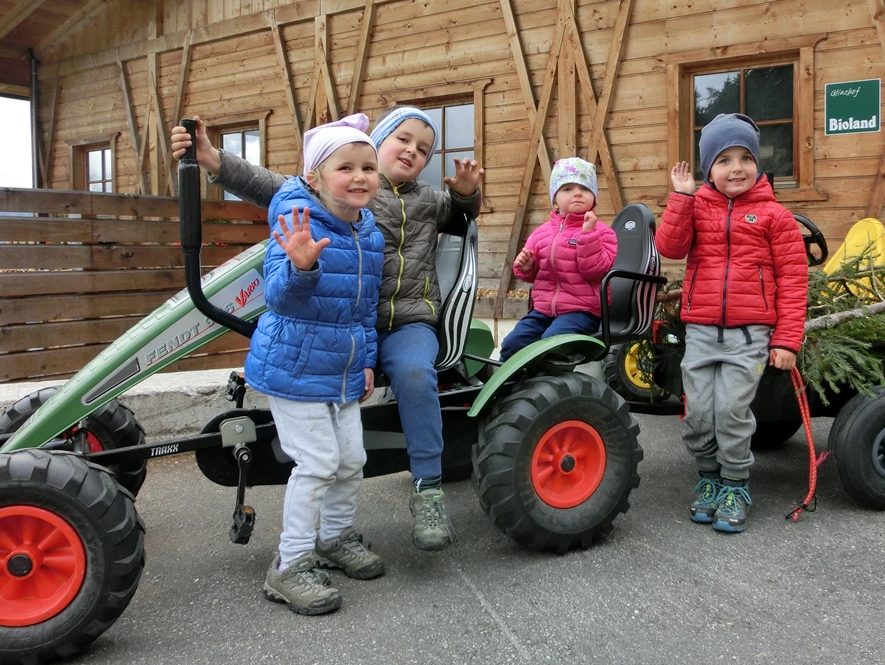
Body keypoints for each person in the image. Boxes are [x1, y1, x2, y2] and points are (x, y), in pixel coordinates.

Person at [171, 107, 482, 552]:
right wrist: (213, 158)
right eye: (403, 139)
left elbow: (461, 214)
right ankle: (320, 532)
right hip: (348, 323)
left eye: (423, 149)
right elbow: (270, 185)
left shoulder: (429, 199)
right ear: (376, 141)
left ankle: (427, 488)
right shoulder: (347, 189)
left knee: (415, 374)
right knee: (335, 445)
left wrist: (468, 194)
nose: (413, 151)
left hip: (407, 320)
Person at [247, 114, 385, 615]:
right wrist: (302, 266)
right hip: (294, 365)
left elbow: (365, 307)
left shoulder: (369, 232)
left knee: (352, 461)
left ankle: (333, 538)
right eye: (344, 166)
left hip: (344, 368)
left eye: (368, 166)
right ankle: (290, 564)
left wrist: (367, 360)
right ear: (314, 177)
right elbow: (278, 297)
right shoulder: (296, 220)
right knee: (320, 462)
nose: (359, 176)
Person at [654, 113, 809, 533]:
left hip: (748, 335)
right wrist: (681, 198)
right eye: (724, 160)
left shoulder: (775, 216)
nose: (736, 168)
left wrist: (787, 340)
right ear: (708, 169)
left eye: (745, 157)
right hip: (702, 331)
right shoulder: (696, 206)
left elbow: (794, 281)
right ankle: (708, 478)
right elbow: (669, 246)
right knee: (699, 413)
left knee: (731, 413)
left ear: (757, 164)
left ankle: (736, 485)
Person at [498, 157, 618, 360]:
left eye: (585, 188)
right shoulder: (541, 233)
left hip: (582, 311)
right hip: (543, 310)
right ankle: (510, 388)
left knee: (551, 343)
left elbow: (596, 271)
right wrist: (527, 267)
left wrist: (588, 235)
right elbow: (531, 274)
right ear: (555, 200)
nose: (577, 193)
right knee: (513, 345)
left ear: (594, 198)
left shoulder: (603, 233)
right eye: (568, 188)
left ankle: (545, 387)